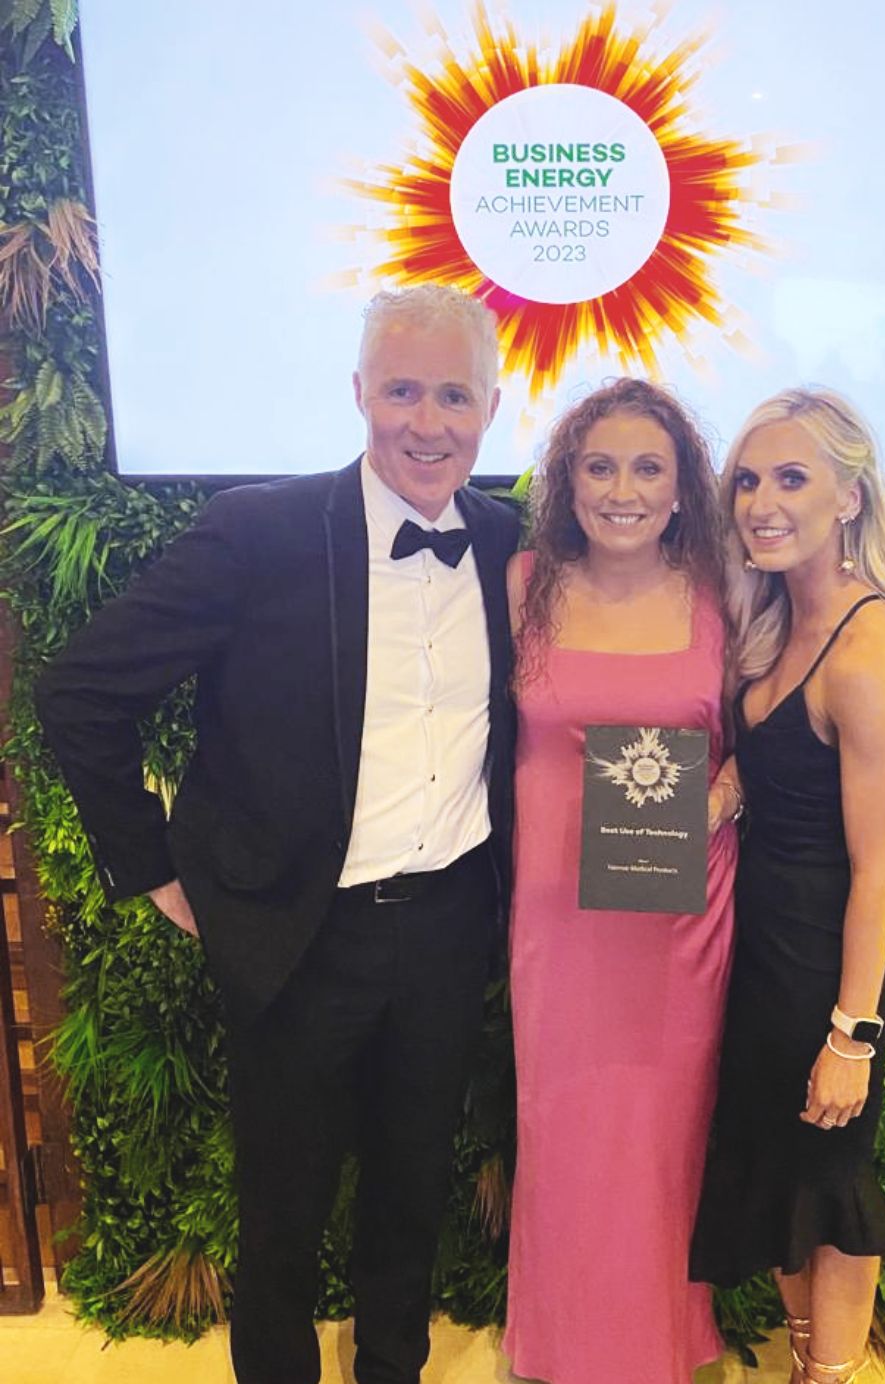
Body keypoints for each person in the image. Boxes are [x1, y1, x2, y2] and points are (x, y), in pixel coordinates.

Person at [34, 284, 520, 1384]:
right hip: (299, 934)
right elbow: (82, 691)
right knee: (284, 1207)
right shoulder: (259, 532)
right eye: (402, 391)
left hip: (448, 928)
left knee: (413, 1190)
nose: (428, 423)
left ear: (492, 406)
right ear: (359, 393)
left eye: (455, 396)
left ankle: (391, 1367)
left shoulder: (509, 544)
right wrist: (151, 865)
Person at [689, 388, 885, 1384]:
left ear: (849, 496)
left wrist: (852, 1034)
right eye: (749, 480)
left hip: (827, 963)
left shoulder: (864, 638)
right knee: (778, 1169)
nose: (761, 502)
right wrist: (720, 788)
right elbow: (783, 760)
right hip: (764, 950)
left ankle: (828, 1373)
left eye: (791, 479)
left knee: (827, 1182)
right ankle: (807, 1360)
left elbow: (878, 863)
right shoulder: (777, 614)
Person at [502, 378, 741, 1384]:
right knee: (561, 1127)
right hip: (555, 921)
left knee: (663, 1133)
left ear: (683, 487)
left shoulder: (724, 591)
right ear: (569, 481)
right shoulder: (523, 583)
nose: (623, 490)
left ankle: (664, 1345)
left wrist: (719, 799)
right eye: (599, 467)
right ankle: (559, 1345)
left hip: (678, 921)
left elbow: (769, 735)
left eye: (648, 468)